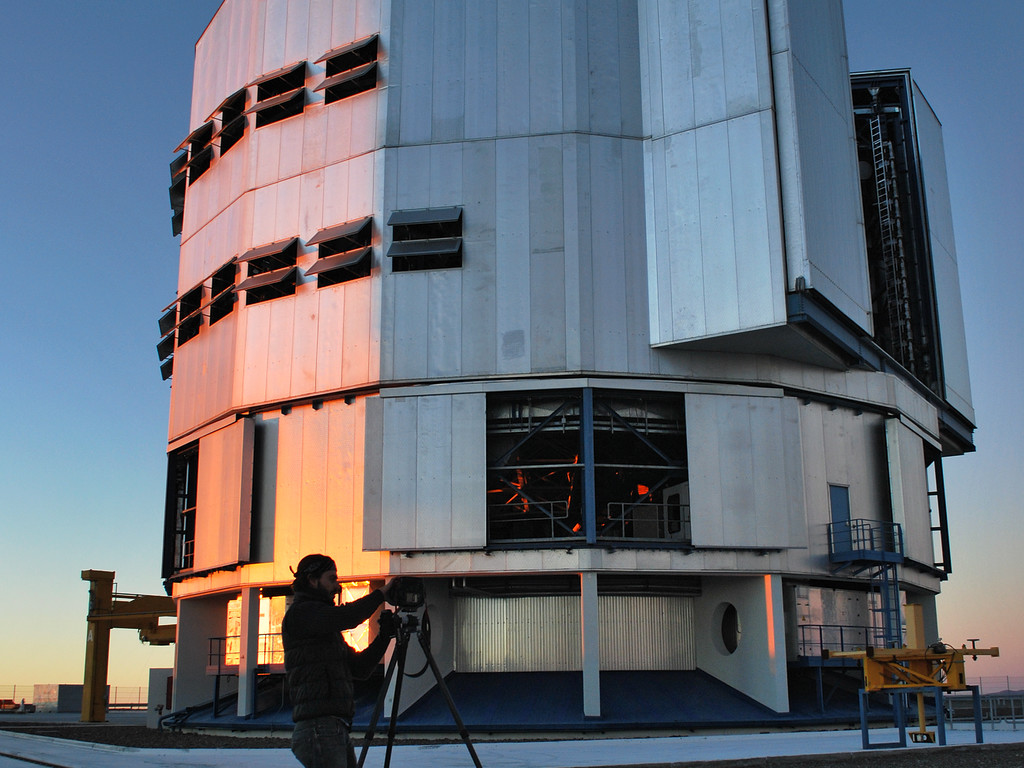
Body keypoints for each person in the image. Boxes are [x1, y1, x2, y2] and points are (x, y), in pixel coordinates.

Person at [282, 553, 399, 768]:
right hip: (319, 728)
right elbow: (348, 617)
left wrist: (384, 637)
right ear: (312, 580)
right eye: (331, 578)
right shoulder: (302, 614)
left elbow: (360, 669)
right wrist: (380, 595)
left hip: (332, 727)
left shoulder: (325, 629)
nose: (337, 586)